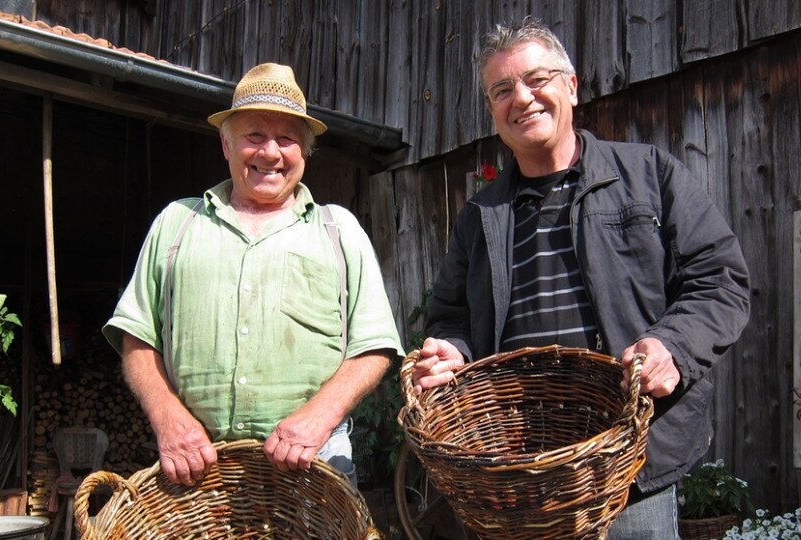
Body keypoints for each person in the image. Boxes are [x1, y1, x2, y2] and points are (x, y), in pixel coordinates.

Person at [410, 17, 751, 539]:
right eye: (502, 90)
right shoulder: (480, 215)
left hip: (629, 465)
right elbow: (452, 316)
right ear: (492, 113)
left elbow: (719, 279)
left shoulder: (647, 175)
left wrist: (673, 348)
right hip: (519, 477)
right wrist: (452, 350)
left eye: (536, 79)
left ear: (571, 85)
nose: (521, 98)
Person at [103, 62, 404, 487]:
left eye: (286, 139)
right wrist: (169, 419)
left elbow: (374, 347)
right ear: (225, 144)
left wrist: (317, 418)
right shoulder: (178, 222)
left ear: (305, 151)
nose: (270, 153)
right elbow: (137, 336)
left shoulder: (337, 230)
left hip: (314, 459)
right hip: (198, 466)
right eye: (254, 136)